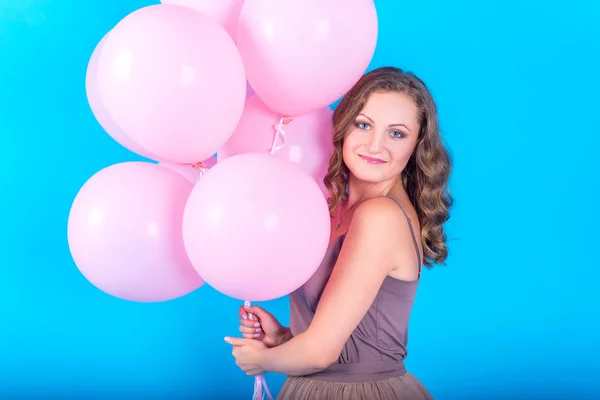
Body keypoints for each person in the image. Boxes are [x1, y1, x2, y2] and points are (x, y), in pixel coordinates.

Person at [224, 66, 453, 399]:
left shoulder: (381, 216)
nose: (375, 145)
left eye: (397, 133)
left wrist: (262, 360)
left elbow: (321, 352)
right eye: (364, 125)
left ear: (416, 144)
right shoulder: (333, 208)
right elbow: (339, 338)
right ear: (344, 126)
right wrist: (285, 338)